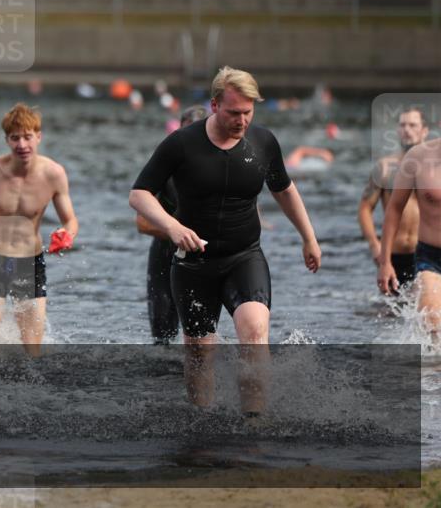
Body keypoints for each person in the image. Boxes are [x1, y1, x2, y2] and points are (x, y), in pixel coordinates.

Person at [129, 67, 321, 413]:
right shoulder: (181, 144)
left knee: (254, 330)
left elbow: (285, 190)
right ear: (215, 105)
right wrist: (172, 228)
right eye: (234, 112)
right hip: (193, 265)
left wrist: (308, 238)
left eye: (248, 112)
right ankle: (201, 423)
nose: (242, 120)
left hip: (244, 256)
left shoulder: (263, 142)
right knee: (200, 352)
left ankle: (254, 419)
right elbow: (139, 195)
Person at [0, 104, 78, 356]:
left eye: (27, 137)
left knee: (33, 349)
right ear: (6, 140)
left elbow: (70, 220)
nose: (22, 144)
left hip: (29, 262)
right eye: (15, 138)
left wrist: (66, 235)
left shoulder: (54, 174)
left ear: (39, 137)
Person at [135, 105, 209, 344]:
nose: (193, 141)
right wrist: (176, 232)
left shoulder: (219, 167)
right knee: (162, 337)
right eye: (187, 133)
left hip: (203, 258)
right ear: (178, 132)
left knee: (200, 333)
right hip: (164, 256)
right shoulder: (164, 166)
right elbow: (142, 223)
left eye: (199, 133)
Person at [359, 109, 430, 293]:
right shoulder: (384, 167)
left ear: (424, 131)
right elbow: (365, 208)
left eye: (413, 125)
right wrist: (375, 245)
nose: (407, 129)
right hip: (394, 254)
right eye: (402, 125)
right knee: (390, 314)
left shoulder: (434, 169)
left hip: (427, 253)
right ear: (397, 131)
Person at [378, 136, 441, 340]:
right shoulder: (417, 157)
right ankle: (433, 371)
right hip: (431, 258)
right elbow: (395, 208)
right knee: (431, 320)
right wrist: (385, 262)